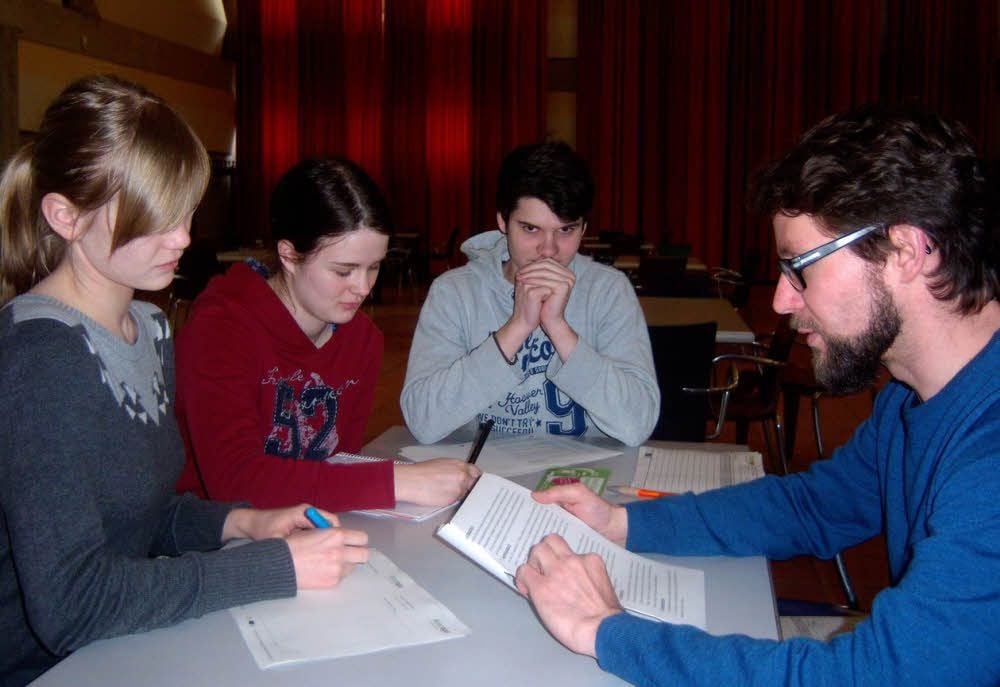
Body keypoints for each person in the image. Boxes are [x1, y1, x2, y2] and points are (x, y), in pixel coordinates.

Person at [512, 104, 1000, 685]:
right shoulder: (909, 399)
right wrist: (623, 524)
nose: (781, 302)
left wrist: (603, 629)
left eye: (800, 268)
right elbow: (811, 508)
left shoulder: (988, 456)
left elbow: (875, 675)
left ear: (904, 251)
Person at [0, 75, 370, 687]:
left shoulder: (147, 326)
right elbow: (71, 605)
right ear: (65, 216)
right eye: (154, 219)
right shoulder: (38, 360)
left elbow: (138, 514)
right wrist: (272, 568)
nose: (183, 239)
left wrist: (240, 523)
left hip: (123, 640)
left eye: (186, 211)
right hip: (49, 666)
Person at [174, 157, 479, 512]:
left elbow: (335, 465)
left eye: (375, 267)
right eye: (343, 271)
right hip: (213, 539)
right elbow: (233, 483)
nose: (363, 288)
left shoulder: (362, 341)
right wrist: (395, 481)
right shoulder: (221, 329)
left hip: (300, 525)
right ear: (288, 255)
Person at [401, 141, 659, 445]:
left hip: (583, 477)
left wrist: (559, 328)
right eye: (530, 229)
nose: (548, 250)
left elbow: (637, 425)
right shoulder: (454, 293)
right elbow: (423, 421)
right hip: (484, 474)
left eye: (566, 230)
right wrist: (518, 327)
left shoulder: (609, 291)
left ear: (584, 228)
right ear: (502, 221)